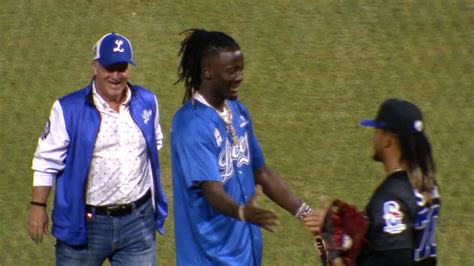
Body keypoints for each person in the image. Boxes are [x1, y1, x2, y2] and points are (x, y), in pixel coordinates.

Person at [170, 28, 313, 266]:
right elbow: (212, 190)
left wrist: (305, 214)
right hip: (210, 257)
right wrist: (242, 212)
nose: (240, 77)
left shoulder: (237, 111)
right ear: (207, 72)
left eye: (241, 68)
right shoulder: (191, 125)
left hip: (245, 253)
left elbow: (260, 172)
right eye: (231, 71)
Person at [26, 32, 168, 266]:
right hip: (86, 224)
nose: (115, 75)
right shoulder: (67, 109)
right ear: (95, 67)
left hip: (137, 222)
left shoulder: (147, 101)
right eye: (108, 67)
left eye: (121, 68)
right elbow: (46, 161)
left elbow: (155, 145)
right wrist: (37, 205)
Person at [304, 99, 440, 266]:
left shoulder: (390, 198)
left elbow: (397, 258)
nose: (374, 137)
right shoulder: (427, 187)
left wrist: (333, 251)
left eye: (377, 131)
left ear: (387, 140)